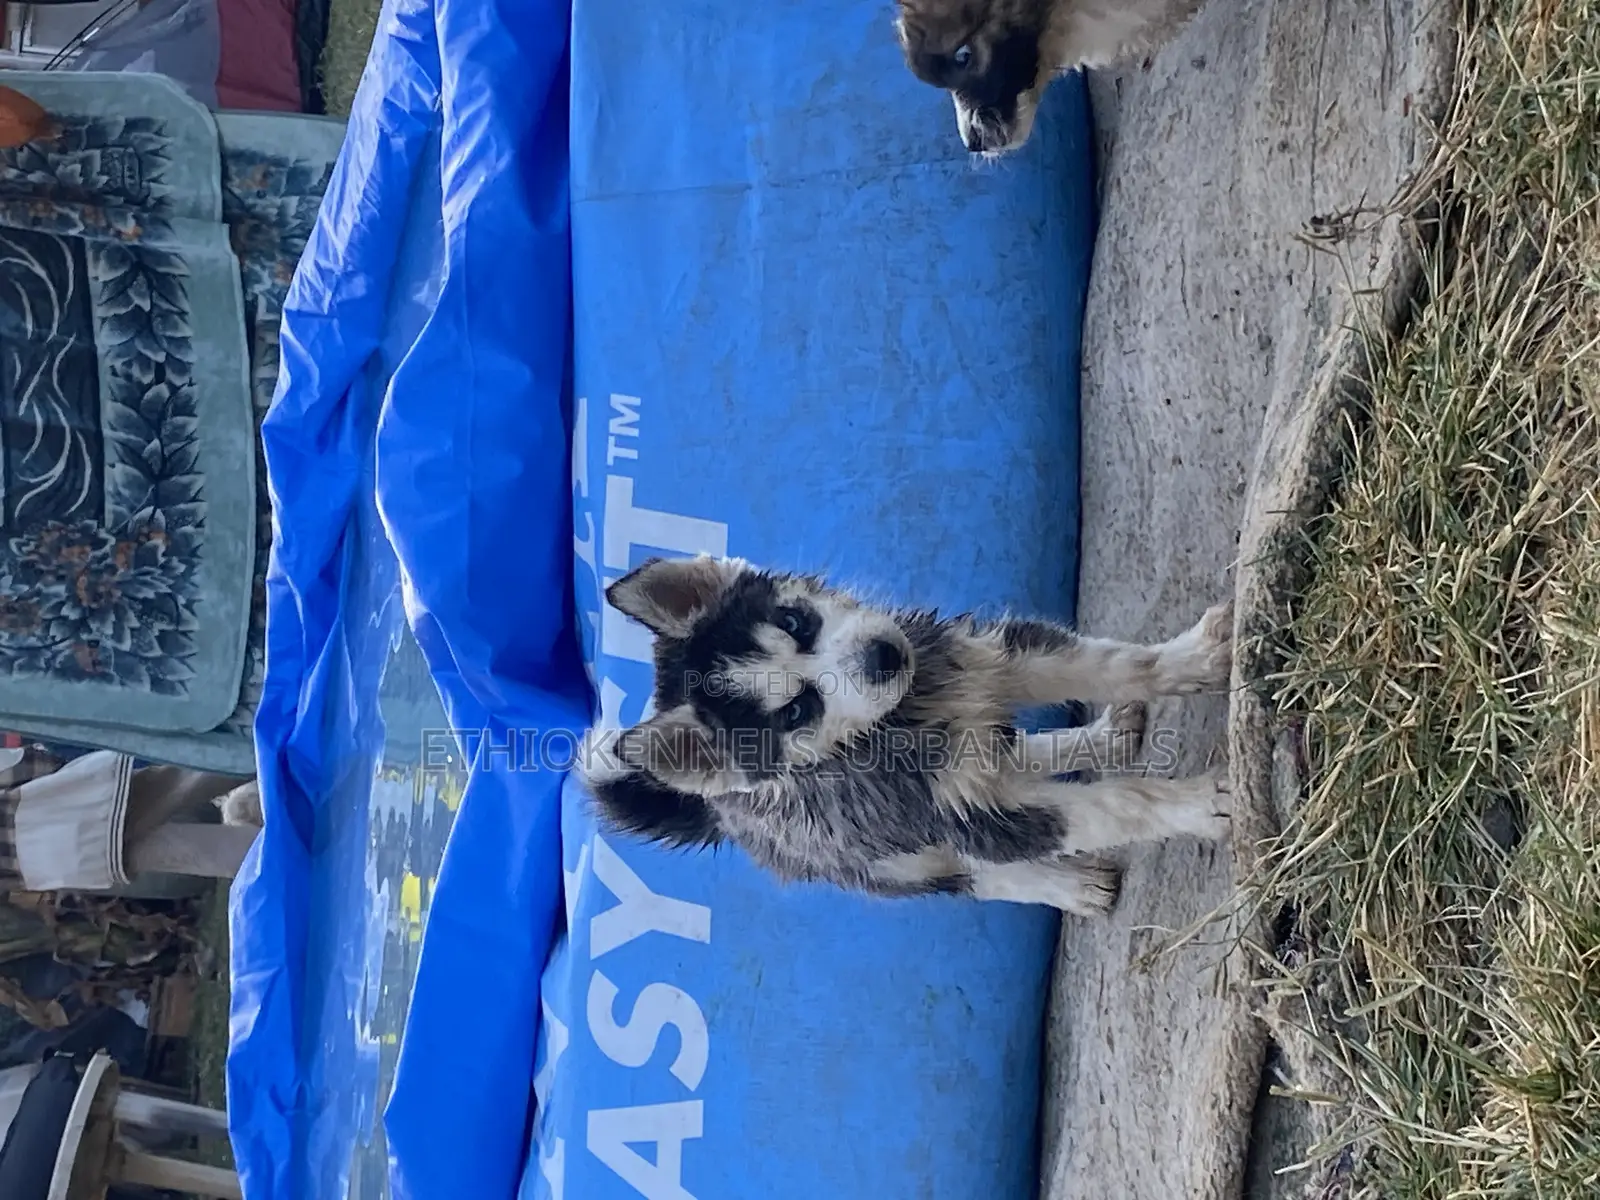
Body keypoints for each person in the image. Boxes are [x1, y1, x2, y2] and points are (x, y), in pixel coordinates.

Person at [0, 744, 261, 894]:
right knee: (184, 780)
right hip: (52, 808)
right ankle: (277, 746)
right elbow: (18, 766)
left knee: (188, 852)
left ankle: (286, 851)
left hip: (47, 862)